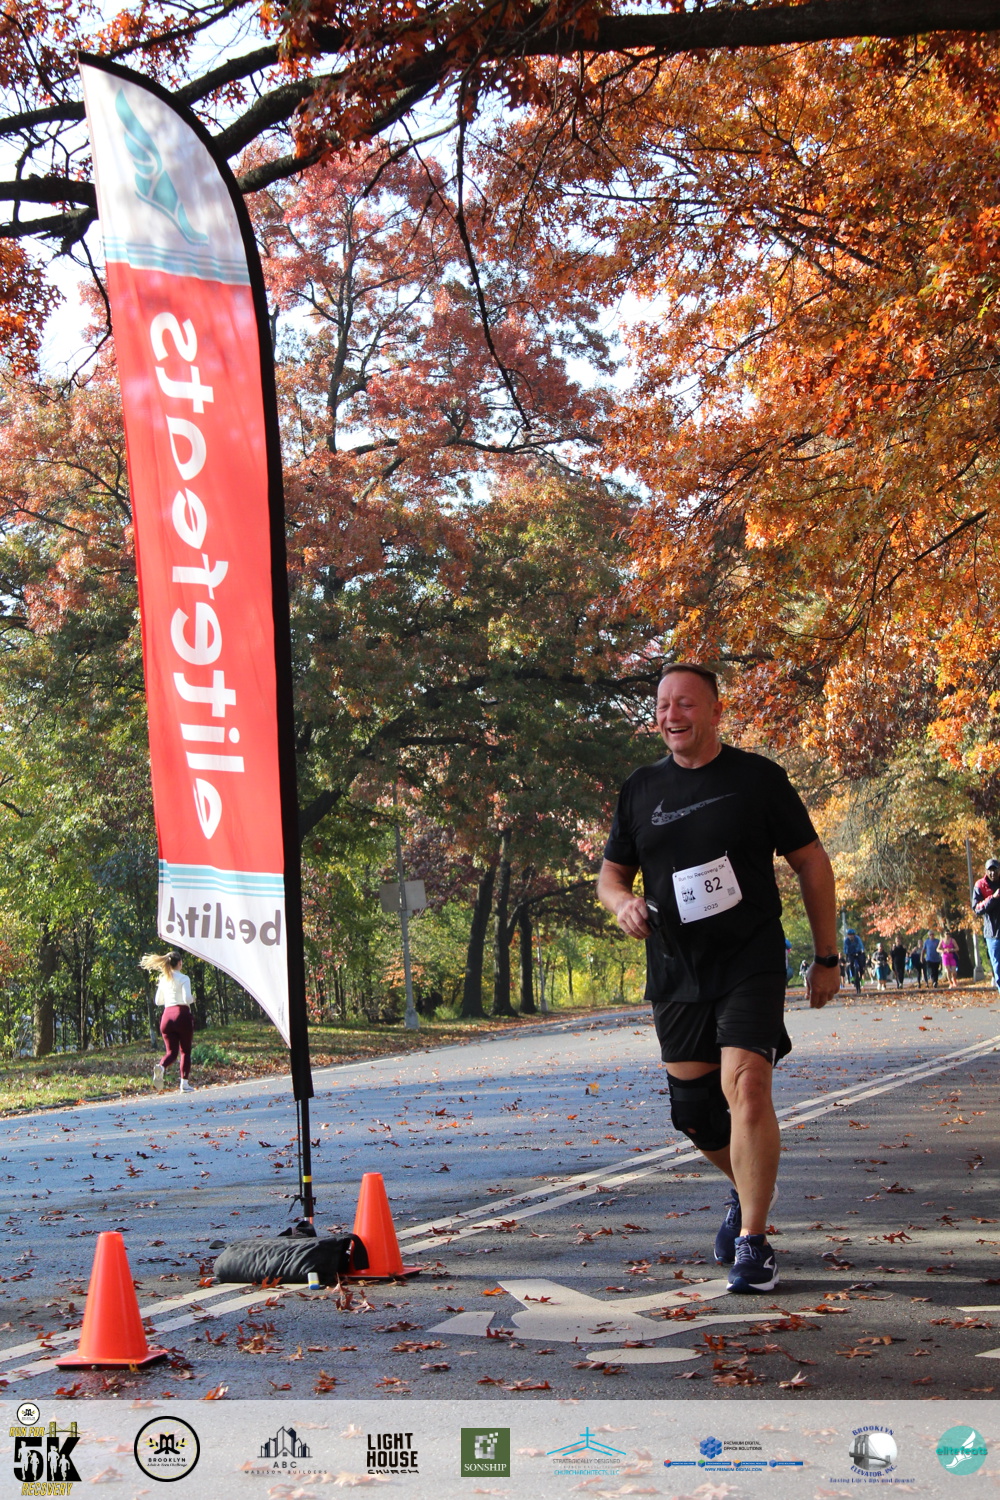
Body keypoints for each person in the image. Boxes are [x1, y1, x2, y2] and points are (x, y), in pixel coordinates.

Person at [596, 663, 839, 1294]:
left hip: (749, 959)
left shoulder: (758, 778)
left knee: (748, 1087)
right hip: (676, 966)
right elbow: (611, 875)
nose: (671, 715)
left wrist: (827, 956)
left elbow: (812, 862)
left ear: (714, 711)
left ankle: (754, 1242)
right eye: (662, 705)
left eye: (685, 703)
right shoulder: (641, 788)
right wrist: (622, 903)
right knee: (695, 1116)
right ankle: (745, 1185)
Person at [141, 950, 195, 1092]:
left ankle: (161, 1066)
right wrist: (193, 999)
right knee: (185, 1051)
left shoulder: (163, 980)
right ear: (180, 963)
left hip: (166, 1017)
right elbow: (187, 999)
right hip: (181, 1015)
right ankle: (184, 1084)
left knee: (171, 1052)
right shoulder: (184, 978)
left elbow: (158, 1001)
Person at [972, 858, 1000, 992]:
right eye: (990, 870)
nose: (993, 873)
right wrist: (993, 898)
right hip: (993, 933)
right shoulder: (980, 885)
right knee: (997, 966)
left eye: (995, 870)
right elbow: (977, 908)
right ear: (986, 871)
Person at [843, 929, 865, 994]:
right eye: (849, 935)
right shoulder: (846, 940)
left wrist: (861, 950)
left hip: (858, 953)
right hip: (851, 954)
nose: (851, 936)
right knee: (851, 963)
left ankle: (861, 975)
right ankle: (852, 976)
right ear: (848, 935)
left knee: (861, 963)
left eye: (852, 935)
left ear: (854, 935)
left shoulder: (857, 939)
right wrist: (846, 952)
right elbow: (845, 949)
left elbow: (861, 946)